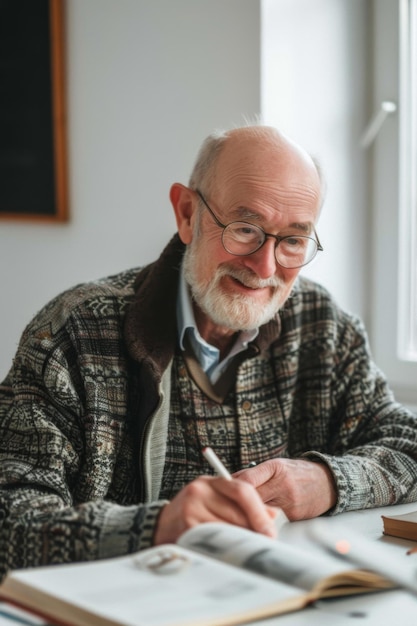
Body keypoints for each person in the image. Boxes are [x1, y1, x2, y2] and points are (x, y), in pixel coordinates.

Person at [1, 124, 416, 582]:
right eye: (244, 229)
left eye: (294, 241)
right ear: (186, 214)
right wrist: (157, 527)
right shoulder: (74, 333)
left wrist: (328, 482)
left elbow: (409, 444)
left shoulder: (322, 325)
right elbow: (11, 520)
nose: (264, 267)